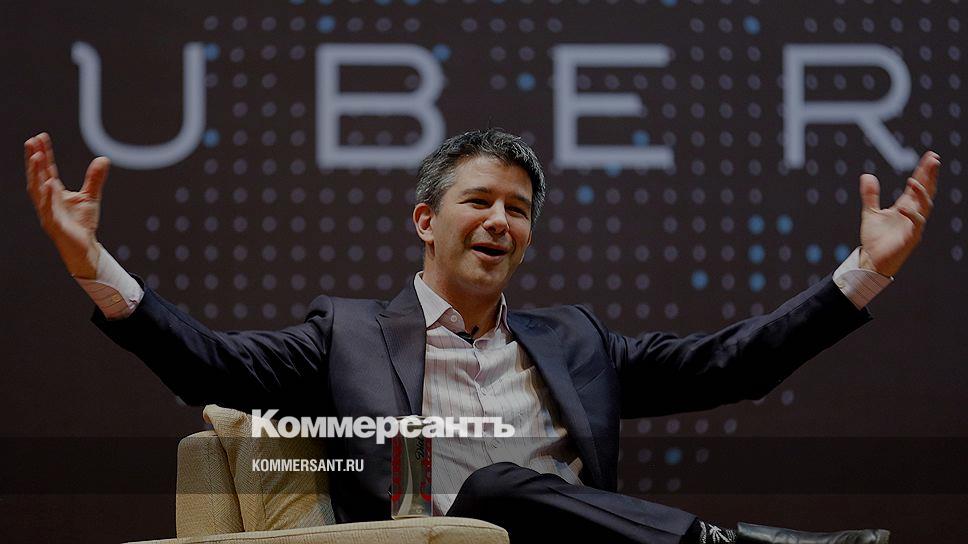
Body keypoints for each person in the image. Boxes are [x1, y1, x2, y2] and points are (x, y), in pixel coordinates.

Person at [24, 129, 939, 544]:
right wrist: (93, 264)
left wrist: (864, 273)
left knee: (522, 490)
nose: (502, 221)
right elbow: (210, 364)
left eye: (520, 209)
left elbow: (734, 364)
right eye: (480, 202)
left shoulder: (575, 339)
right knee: (497, 485)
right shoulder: (345, 334)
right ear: (426, 221)